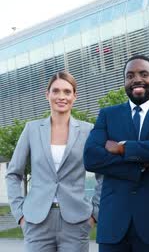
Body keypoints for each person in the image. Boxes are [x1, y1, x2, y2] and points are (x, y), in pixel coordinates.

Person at [83, 55, 149, 252]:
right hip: (113, 225)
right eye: (130, 75)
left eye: (144, 74)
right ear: (125, 82)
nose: (137, 80)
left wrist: (123, 149)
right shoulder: (107, 115)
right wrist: (144, 162)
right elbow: (91, 158)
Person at [6, 71, 101, 252]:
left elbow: (103, 175)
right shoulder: (31, 129)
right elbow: (13, 173)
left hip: (76, 221)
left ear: (75, 96)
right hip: (36, 221)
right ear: (47, 94)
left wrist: (94, 215)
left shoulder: (89, 130)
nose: (61, 97)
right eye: (56, 91)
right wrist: (19, 214)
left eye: (67, 92)